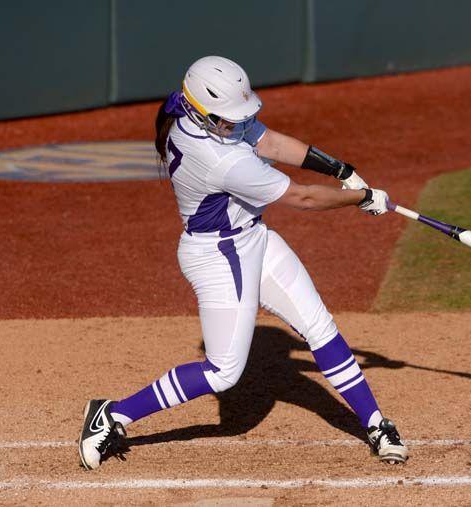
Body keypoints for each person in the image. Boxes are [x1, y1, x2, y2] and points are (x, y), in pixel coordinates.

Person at [78, 56, 408, 470]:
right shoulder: (219, 159)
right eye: (227, 120)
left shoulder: (205, 117)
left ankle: (376, 424)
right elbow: (303, 198)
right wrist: (361, 198)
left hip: (253, 238)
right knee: (223, 373)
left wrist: (341, 168)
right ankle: (111, 415)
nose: (235, 125)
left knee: (319, 325)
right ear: (201, 113)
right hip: (217, 256)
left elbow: (268, 141)